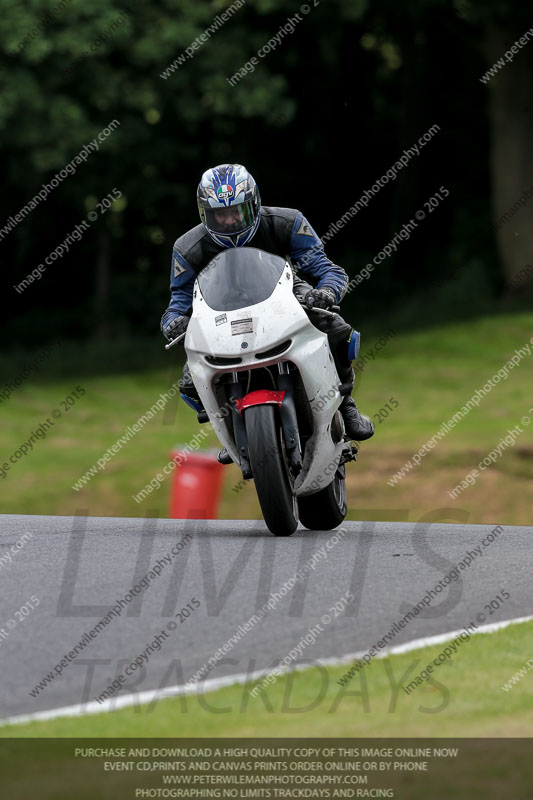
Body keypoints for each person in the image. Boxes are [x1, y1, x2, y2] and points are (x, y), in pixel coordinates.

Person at [161, 164, 374, 463]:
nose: (230, 220)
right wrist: (173, 323)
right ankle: (229, 430)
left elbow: (326, 268)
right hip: (217, 310)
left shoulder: (287, 221)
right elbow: (178, 299)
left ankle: (346, 404)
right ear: (204, 214)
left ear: (254, 203)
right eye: (220, 215)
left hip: (285, 295)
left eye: (237, 211)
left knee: (337, 328)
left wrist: (325, 293)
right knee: (188, 380)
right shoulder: (187, 247)